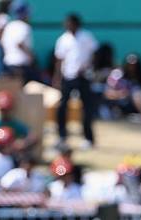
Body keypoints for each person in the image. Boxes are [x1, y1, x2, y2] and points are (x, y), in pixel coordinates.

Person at [53, 13, 98, 150]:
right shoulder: (63, 39)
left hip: (83, 76)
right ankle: (62, 136)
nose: (68, 26)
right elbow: (59, 60)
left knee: (87, 108)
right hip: (68, 76)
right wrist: (57, 77)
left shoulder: (86, 36)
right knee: (62, 107)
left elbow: (95, 54)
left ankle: (88, 138)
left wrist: (88, 66)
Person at [0, 0, 35, 83]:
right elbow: (19, 43)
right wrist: (31, 55)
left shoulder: (9, 26)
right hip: (21, 67)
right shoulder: (25, 26)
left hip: (7, 65)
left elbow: (1, 43)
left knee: (11, 92)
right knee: (22, 93)